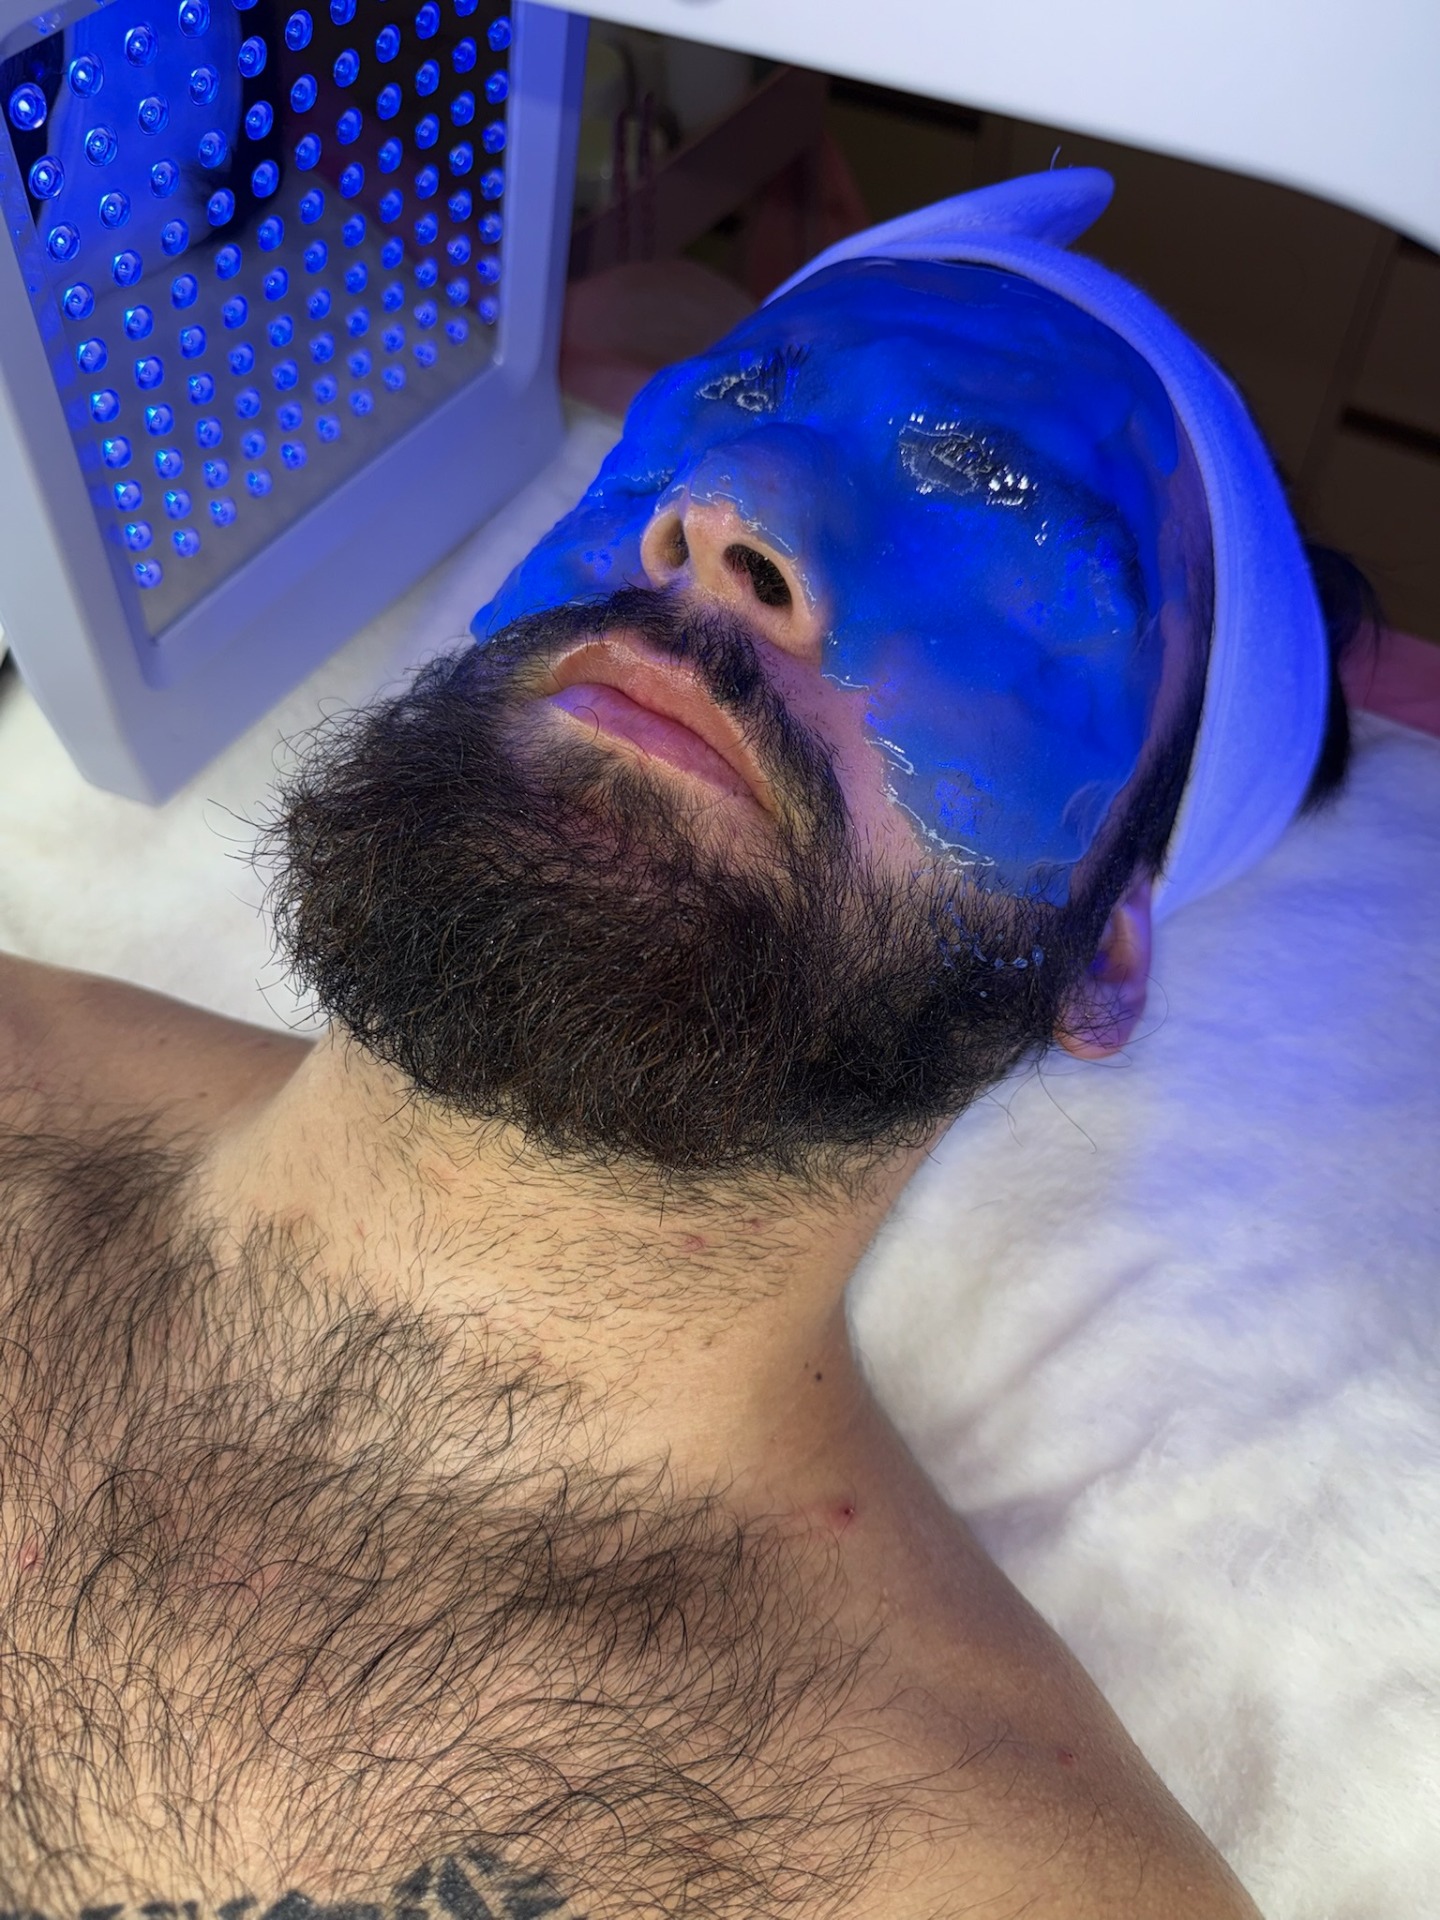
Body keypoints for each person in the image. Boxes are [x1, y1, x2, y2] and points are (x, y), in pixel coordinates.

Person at [0, 171, 1366, 1919]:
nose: (728, 513)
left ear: (1095, 960)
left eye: (1004, 542)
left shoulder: (985, 1881)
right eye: (708, 419)